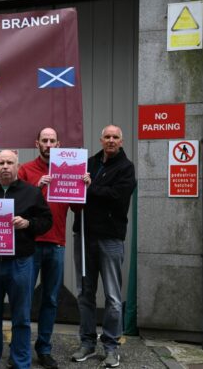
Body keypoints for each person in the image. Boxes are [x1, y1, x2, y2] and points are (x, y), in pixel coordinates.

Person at [0, 150, 53, 369]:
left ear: (17, 166)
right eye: (1, 163)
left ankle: (20, 362)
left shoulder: (32, 193)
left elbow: (46, 221)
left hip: (20, 262)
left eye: (10, 163)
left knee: (21, 317)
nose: (5, 166)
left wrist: (28, 223)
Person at [17, 128, 89, 369]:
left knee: (50, 300)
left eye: (52, 141)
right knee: (24, 300)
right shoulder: (25, 170)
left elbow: (78, 210)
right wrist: (36, 187)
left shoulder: (69, 169)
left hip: (57, 243)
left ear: (59, 143)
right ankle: (20, 350)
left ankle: (44, 349)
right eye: (44, 140)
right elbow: (17, 206)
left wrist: (83, 187)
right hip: (30, 244)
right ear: (37, 143)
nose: (48, 144)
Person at [71, 125, 136, 368]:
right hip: (84, 236)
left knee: (113, 297)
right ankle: (87, 343)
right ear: (101, 140)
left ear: (121, 141)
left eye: (115, 137)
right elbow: (76, 195)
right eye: (107, 137)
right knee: (84, 293)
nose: (111, 140)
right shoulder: (88, 163)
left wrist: (91, 188)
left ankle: (111, 347)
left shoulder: (126, 168)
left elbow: (117, 196)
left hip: (110, 239)